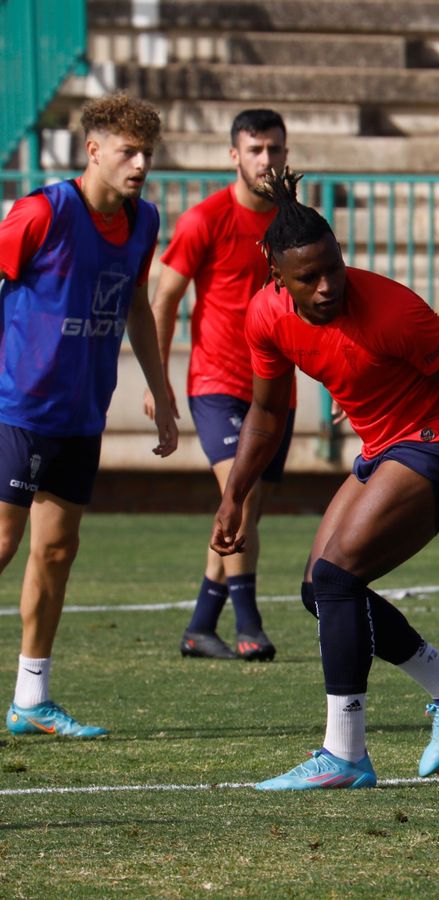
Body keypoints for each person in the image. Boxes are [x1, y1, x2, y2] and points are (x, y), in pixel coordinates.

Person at [212, 167, 439, 790]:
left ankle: (345, 754)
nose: (328, 285)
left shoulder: (393, 310)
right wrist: (234, 496)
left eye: (334, 267)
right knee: (319, 592)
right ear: (276, 274)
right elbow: (268, 413)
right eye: (310, 277)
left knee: (337, 578)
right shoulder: (266, 317)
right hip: (386, 447)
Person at [0, 95, 179, 738]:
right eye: (128, 152)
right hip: (17, 408)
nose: (140, 165)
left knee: (56, 550)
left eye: (148, 154)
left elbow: (135, 304)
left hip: (81, 415)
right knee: (3, 544)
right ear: (93, 150)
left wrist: (160, 388)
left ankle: (31, 699)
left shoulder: (144, 220)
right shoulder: (41, 212)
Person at [149, 109, 293, 662]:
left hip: (274, 390)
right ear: (234, 155)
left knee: (244, 512)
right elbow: (164, 299)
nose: (265, 160)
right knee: (242, 494)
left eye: (274, 149)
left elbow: (319, 301)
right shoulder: (203, 220)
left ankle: (200, 626)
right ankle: (250, 625)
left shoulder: (294, 223)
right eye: (255, 149)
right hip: (216, 382)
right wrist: (158, 380)